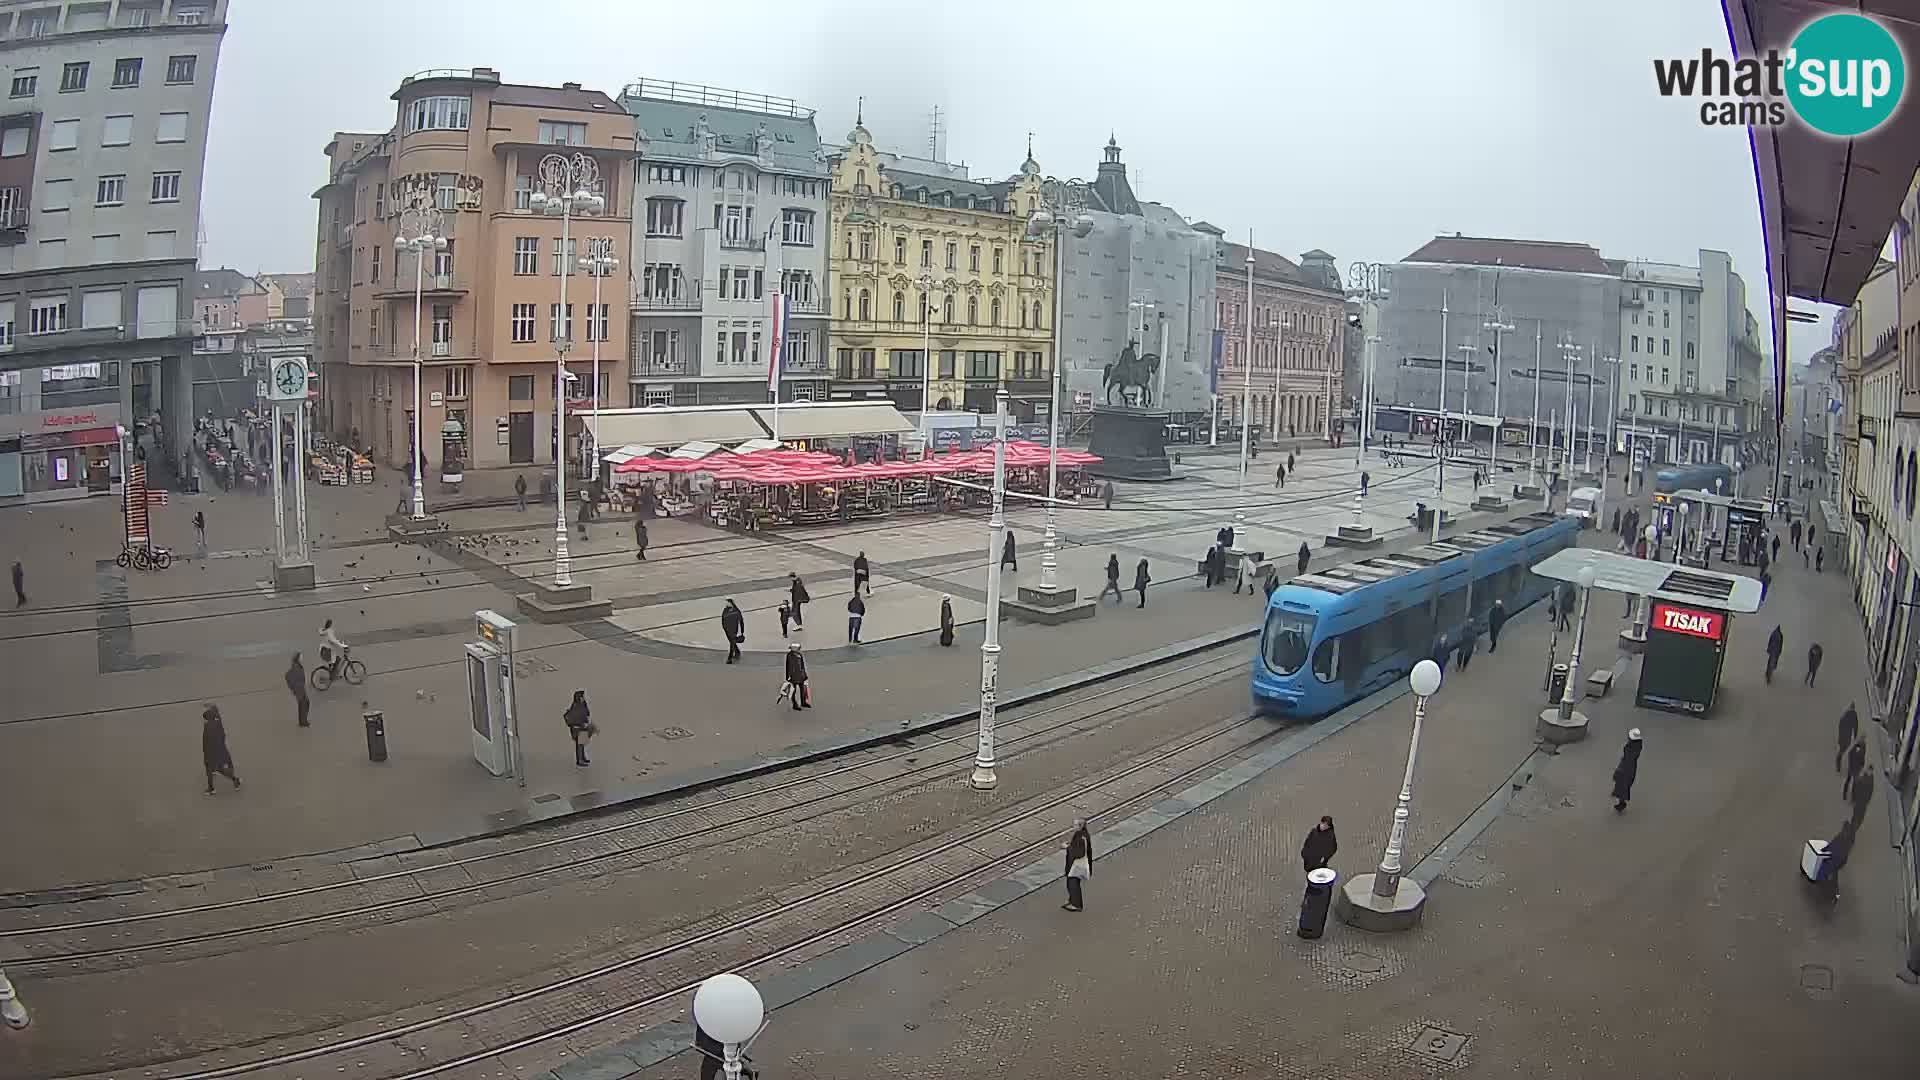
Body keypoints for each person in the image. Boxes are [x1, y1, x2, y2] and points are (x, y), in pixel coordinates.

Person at [201, 704, 241, 793]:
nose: (203, 720)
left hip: (211, 753)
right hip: (220, 750)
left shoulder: (208, 727)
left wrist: (207, 754)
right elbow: (222, 736)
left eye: (204, 718)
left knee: (211, 769)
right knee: (218, 769)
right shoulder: (218, 722)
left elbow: (207, 742)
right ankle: (234, 779)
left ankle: (211, 788)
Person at [1819, 818, 1858, 900]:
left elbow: (1839, 851)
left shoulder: (1846, 841)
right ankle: (1831, 890)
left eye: (1845, 830)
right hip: (1835, 858)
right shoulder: (1842, 837)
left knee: (1832, 872)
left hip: (1837, 860)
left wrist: (1826, 851)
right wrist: (1825, 850)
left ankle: (1833, 892)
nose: (1843, 831)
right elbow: (1833, 843)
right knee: (1832, 872)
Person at [1062, 819, 1093, 912]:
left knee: (1072, 884)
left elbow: (1079, 853)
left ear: (1080, 826)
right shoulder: (1081, 835)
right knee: (1072, 883)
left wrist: (1067, 847)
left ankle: (1076, 904)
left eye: (1075, 825)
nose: (1073, 826)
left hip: (1076, 866)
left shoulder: (1081, 837)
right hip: (1075, 866)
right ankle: (1073, 901)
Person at [1611, 728, 1644, 813]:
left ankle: (1621, 803)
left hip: (1626, 769)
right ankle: (1620, 800)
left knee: (1623, 785)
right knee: (1624, 785)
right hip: (1631, 768)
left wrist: (1618, 771)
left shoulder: (1630, 748)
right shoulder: (1637, 746)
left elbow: (1626, 762)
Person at [564, 690, 594, 766]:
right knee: (580, 745)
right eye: (582, 696)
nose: (584, 698)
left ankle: (582, 758)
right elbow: (576, 716)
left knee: (582, 744)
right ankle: (580, 760)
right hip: (577, 728)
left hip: (583, 727)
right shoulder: (576, 706)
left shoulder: (582, 705)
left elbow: (586, 713)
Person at [784, 642, 812, 710]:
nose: (799, 649)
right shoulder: (789, 656)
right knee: (793, 690)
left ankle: (803, 702)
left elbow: (802, 666)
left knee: (803, 690)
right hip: (793, 676)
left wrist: (804, 674)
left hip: (800, 675)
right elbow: (788, 666)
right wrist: (787, 676)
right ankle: (794, 704)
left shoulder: (800, 655)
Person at [286, 653, 310, 727]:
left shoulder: (298, 665)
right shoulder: (296, 667)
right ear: (298, 658)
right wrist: (294, 688)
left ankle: (303, 720)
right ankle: (303, 722)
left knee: (304, 703)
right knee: (304, 704)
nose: (302, 658)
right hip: (299, 689)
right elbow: (288, 676)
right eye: (301, 657)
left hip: (301, 688)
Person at [1849, 763, 1876, 829]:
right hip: (1859, 799)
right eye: (1869, 770)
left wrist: (1868, 800)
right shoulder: (1863, 776)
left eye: (1871, 771)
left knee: (1860, 815)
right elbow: (1856, 787)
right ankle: (1853, 825)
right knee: (1856, 813)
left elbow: (1871, 790)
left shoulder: (1871, 778)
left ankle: (1856, 825)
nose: (1869, 772)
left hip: (1864, 801)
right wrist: (1853, 798)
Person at [1837, 703, 1860, 772]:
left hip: (1843, 737)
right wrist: (1855, 736)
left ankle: (1838, 765)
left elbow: (1840, 726)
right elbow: (1855, 727)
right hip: (1847, 737)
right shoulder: (1854, 715)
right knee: (1847, 751)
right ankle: (1850, 767)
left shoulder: (1845, 714)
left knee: (1842, 751)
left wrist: (1840, 736)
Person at [720, 600, 745, 664]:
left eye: (727, 603)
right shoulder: (725, 610)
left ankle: (729, 658)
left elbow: (741, 621)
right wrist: (724, 627)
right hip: (727, 629)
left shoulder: (736, 610)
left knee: (732, 642)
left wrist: (742, 631)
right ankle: (737, 651)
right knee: (731, 641)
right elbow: (723, 618)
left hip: (734, 629)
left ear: (731, 603)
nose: (726, 604)